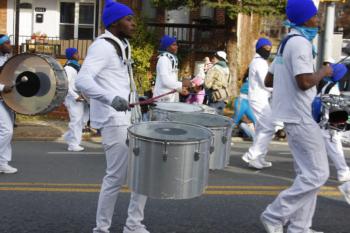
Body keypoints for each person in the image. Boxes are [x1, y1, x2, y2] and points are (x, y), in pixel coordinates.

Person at [75, 1, 149, 233]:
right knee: (115, 177)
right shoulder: (103, 47)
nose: (133, 23)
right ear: (115, 22)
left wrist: (138, 101)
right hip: (113, 119)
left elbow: (120, 81)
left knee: (143, 174)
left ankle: (134, 224)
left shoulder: (121, 44)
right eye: (128, 19)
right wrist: (111, 99)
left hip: (129, 119)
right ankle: (101, 228)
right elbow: (82, 80)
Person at [261, 1, 333, 232]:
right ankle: (274, 215)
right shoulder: (301, 43)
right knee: (318, 174)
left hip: (291, 115)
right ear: (304, 18)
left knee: (307, 174)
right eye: (313, 16)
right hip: (301, 117)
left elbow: (268, 80)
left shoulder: (286, 42)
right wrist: (324, 71)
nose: (317, 20)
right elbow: (303, 82)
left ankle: (299, 227)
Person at [241, 38, 276, 169]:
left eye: (270, 48)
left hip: (260, 97)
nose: (268, 50)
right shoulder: (260, 62)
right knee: (269, 127)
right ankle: (251, 155)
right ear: (260, 48)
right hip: (259, 98)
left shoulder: (258, 61)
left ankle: (258, 158)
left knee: (263, 128)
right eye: (266, 48)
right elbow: (266, 83)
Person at [313, 63, 350, 182]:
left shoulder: (326, 84)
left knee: (321, 150)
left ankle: (317, 171)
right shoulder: (333, 88)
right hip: (329, 125)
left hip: (320, 123)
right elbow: (334, 108)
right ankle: (343, 172)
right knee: (336, 149)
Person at [63, 48, 89, 152]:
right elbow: (66, 85)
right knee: (76, 121)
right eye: (77, 53)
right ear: (72, 55)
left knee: (83, 120)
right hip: (73, 98)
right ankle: (73, 145)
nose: (79, 55)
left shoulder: (77, 66)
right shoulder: (69, 68)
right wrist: (75, 96)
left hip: (80, 97)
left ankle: (69, 137)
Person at [153, 35, 189, 102]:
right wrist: (182, 84)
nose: (177, 47)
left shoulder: (170, 59)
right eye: (174, 45)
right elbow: (165, 81)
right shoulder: (163, 59)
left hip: (170, 98)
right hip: (163, 99)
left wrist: (180, 89)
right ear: (167, 47)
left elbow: (172, 80)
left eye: (176, 45)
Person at [0, 34, 17, 174]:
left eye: (9, 42)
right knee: (7, 130)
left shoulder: (6, 59)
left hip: (6, 100)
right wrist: (1, 88)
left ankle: (3, 163)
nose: (9, 45)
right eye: (6, 43)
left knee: (7, 131)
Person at [204, 51, 230, 115]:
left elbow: (207, 84)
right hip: (224, 97)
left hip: (214, 98)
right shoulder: (227, 69)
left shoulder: (214, 68)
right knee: (220, 119)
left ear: (218, 58)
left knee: (211, 119)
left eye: (214, 57)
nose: (213, 59)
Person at [232, 74, 256, 139]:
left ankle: (257, 139)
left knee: (255, 120)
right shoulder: (250, 79)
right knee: (235, 121)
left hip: (247, 102)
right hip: (241, 101)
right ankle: (225, 137)